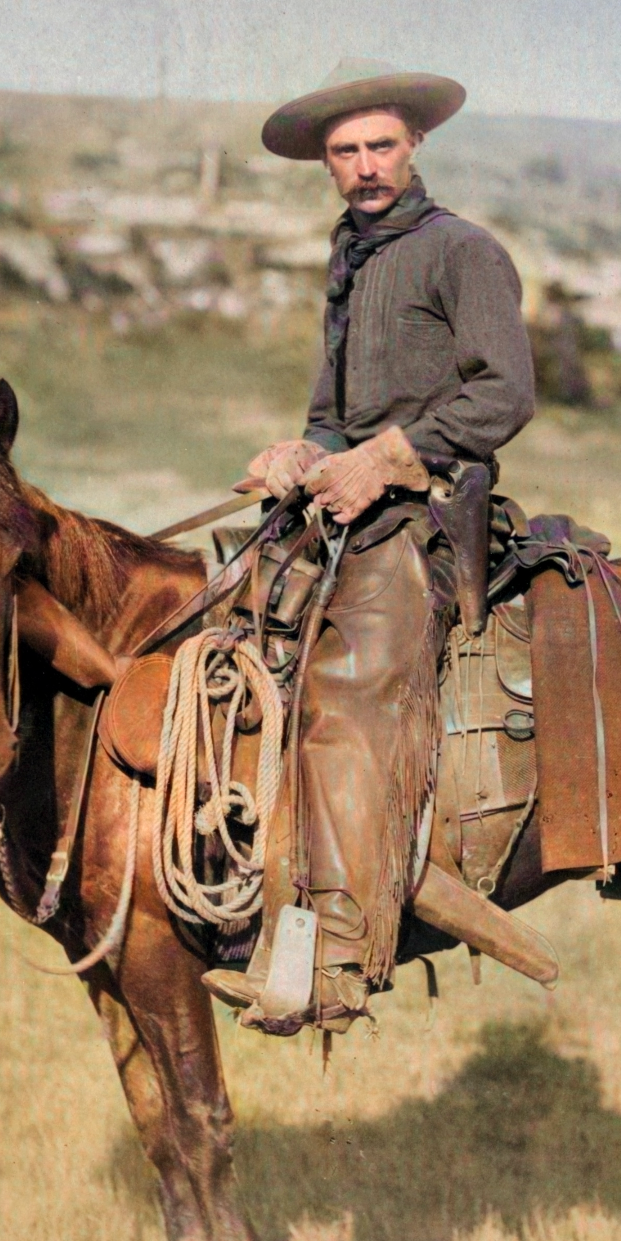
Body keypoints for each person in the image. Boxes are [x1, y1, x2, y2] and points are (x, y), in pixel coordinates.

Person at [202, 59, 535, 1035]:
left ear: (415, 145)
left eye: (379, 145)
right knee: (226, 632)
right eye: (344, 153)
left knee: (349, 685)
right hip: (347, 508)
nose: (363, 166)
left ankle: (336, 957)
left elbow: (503, 395)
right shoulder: (349, 259)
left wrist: (390, 457)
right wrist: (301, 452)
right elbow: (330, 417)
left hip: (430, 514)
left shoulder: (461, 252)